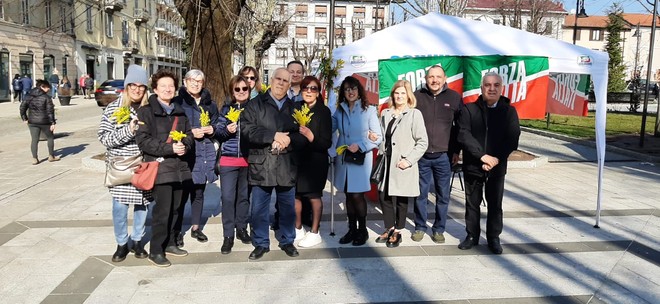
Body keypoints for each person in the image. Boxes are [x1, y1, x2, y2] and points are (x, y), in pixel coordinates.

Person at [241, 67, 307, 260]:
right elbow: (246, 130)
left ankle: (287, 240)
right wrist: (273, 136)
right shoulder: (255, 104)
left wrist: (289, 140)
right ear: (271, 80)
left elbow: (302, 136)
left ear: (289, 84)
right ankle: (261, 243)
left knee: (287, 208)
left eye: (285, 81)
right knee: (259, 209)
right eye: (278, 78)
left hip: (286, 164)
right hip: (262, 164)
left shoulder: (295, 108)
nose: (280, 83)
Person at [457, 72, 520, 255]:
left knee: (495, 204)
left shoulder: (509, 111)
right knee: (472, 203)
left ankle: (493, 237)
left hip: (497, 167)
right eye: (488, 85)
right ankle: (471, 236)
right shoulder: (469, 109)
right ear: (481, 87)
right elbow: (463, 134)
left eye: (496, 85)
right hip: (473, 165)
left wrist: (494, 160)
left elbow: (512, 138)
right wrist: (482, 156)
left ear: (501, 88)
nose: (492, 88)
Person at [136, 69, 194, 267]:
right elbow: (143, 140)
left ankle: (171, 242)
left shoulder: (179, 110)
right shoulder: (146, 111)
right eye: (163, 86)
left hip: (180, 168)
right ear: (155, 89)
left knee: (177, 209)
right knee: (162, 211)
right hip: (160, 168)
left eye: (171, 86)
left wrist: (185, 144)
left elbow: (189, 134)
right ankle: (156, 249)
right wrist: (170, 148)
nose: (168, 89)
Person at [98, 64, 151, 263]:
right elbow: (104, 138)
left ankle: (137, 240)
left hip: (143, 165)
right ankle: (121, 243)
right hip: (121, 166)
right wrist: (127, 131)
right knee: (119, 208)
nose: (137, 90)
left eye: (141, 86)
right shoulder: (114, 108)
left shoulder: (149, 108)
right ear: (127, 87)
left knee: (142, 205)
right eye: (133, 85)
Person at [412, 65, 463, 243]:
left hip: (444, 156)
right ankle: (419, 226)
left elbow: (460, 127)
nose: (434, 80)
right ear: (426, 78)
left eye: (438, 77)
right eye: (431, 77)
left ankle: (439, 228)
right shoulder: (417, 97)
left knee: (443, 196)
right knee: (420, 194)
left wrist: (457, 150)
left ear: (444, 78)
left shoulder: (454, 98)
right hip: (421, 155)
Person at [375, 80, 428, 248]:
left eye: (403, 93)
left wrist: (409, 160)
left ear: (408, 96)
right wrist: (375, 140)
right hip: (386, 162)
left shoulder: (414, 114)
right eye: (397, 93)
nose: (399, 96)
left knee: (401, 199)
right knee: (384, 196)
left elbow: (422, 142)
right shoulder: (386, 113)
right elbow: (384, 138)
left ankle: (398, 231)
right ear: (393, 95)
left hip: (402, 163)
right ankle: (389, 227)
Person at [172, 69, 222, 246]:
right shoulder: (178, 102)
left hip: (204, 153)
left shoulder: (210, 103)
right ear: (185, 82)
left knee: (198, 192)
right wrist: (189, 133)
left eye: (199, 81)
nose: (195, 83)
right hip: (185, 152)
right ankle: (176, 231)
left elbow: (218, 124)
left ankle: (195, 227)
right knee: (181, 194)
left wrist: (213, 129)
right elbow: (171, 127)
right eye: (192, 80)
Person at [332, 76, 382, 246]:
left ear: (359, 90)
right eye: (346, 89)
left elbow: (378, 137)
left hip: (360, 159)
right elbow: (329, 127)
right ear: (343, 93)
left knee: (357, 194)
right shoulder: (339, 111)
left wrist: (360, 145)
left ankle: (363, 230)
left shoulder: (368, 111)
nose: (350, 92)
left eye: (353, 88)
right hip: (343, 158)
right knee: (347, 193)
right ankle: (351, 229)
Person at [294, 76, 332, 248]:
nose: (309, 91)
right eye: (305, 88)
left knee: (314, 196)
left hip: (316, 160)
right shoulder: (295, 108)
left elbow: (327, 142)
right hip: (297, 159)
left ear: (318, 92)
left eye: (313, 88)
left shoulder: (324, 112)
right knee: (296, 195)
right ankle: (298, 228)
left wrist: (311, 137)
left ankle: (315, 232)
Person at [217, 75, 253, 254]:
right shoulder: (226, 109)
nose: (241, 92)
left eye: (244, 89)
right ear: (232, 91)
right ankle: (228, 235)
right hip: (228, 159)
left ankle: (241, 228)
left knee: (244, 197)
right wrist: (226, 130)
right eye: (237, 89)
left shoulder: (253, 109)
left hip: (247, 160)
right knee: (228, 197)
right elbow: (218, 132)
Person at [19, 79, 59, 165]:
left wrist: (24, 118)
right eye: (47, 87)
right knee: (50, 137)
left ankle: (34, 158)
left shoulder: (29, 96)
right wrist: (52, 122)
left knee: (34, 140)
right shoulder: (46, 97)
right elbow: (50, 111)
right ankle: (51, 156)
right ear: (42, 87)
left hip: (32, 122)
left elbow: (22, 108)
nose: (48, 89)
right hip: (45, 122)